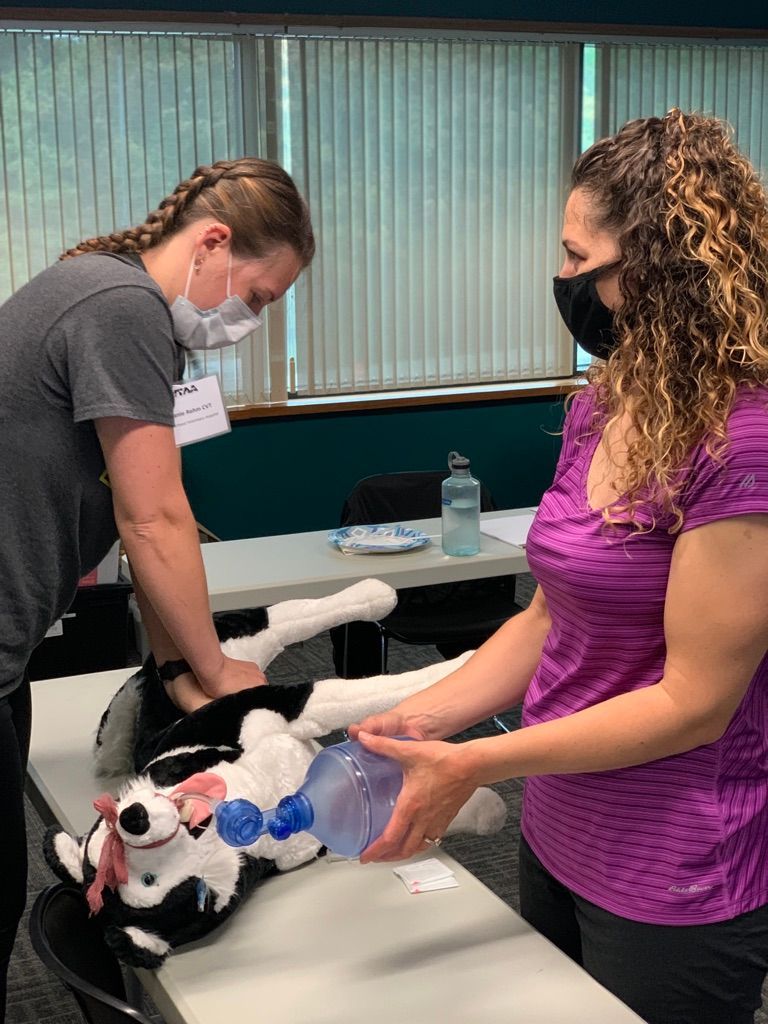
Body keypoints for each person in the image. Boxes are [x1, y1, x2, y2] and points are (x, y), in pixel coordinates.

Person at [349, 110, 768, 1024]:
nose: (564, 280)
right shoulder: (607, 404)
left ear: (661, 268)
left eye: (581, 260)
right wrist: (421, 718)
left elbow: (696, 703)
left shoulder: (744, 440)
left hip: (675, 865)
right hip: (562, 821)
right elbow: (549, 620)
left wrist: (481, 761)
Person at [0, 157, 314, 1022]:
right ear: (213, 242)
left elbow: (145, 526)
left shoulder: (104, 295)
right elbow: (154, 522)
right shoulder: (122, 309)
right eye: (259, 295)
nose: (252, 319)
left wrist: (183, 666)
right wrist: (217, 674)